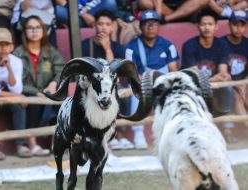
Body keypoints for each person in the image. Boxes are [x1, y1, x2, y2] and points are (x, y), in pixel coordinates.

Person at [125, 9, 179, 149]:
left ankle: (170, 134)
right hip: (143, 84)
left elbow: (173, 70)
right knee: (134, 90)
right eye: (146, 24)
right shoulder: (131, 46)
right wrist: (142, 79)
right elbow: (130, 72)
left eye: (154, 23)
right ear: (140, 26)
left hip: (163, 82)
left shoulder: (168, 45)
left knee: (175, 90)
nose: (150, 27)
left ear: (158, 26)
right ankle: (138, 134)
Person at [81, 9, 134, 150]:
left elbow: (113, 73)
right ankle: (110, 136)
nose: (104, 27)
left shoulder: (118, 48)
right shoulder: (85, 45)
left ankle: (117, 134)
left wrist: (107, 49)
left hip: (112, 87)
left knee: (124, 96)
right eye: (100, 23)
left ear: (112, 27)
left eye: (107, 24)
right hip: (91, 88)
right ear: (95, 26)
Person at [181, 9, 237, 143]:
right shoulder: (189, 45)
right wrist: (215, 78)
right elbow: (194, 77)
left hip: (214, 84)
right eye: (203, 24)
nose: (207, 28)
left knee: (228, 87)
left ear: (216, 26)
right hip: (193, 86)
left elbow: (223, 73)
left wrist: (224, 77)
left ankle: (227, 129)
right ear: (198, 27)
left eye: (210, 24)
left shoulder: (221, 44)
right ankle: (197, 133)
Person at [13, 15, 65, 156]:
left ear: (43, 31)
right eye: (30, 28)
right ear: (24, 32)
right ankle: (33, 144)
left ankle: (57, 141)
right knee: (32, 101)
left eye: (37, 27)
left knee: (61, 102)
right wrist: (36, 92)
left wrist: (54, 83)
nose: (34, 31)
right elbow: (16, 82)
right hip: (29, 93)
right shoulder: (18, 53)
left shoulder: (50, 51)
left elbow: (62, 70)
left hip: (48, 92)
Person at [0, 28, 32, 160]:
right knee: (19, 99)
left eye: (6, 45)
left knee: (19, 105)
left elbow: (17, 90)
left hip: (6, 101)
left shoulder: (16, 61)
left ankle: (20, 145)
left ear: (12, 47)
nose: (3, 49)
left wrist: (8, 68)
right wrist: (17, 96)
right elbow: (16, 94)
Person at [221, 10, 248, 128]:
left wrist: (245, 84)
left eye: (242, 25)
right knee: (237, 98)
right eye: (235, 24)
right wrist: (237, 85)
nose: (239, 28)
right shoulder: (220, 43)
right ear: (229, 24)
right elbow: (222, 71)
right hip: (228, 83)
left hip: (244, 82)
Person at [138, 0, 209, 23]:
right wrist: (158, 15)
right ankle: (179, 17)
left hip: (186, 6)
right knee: (144, 2)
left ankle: (168, 18)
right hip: (165, 8)